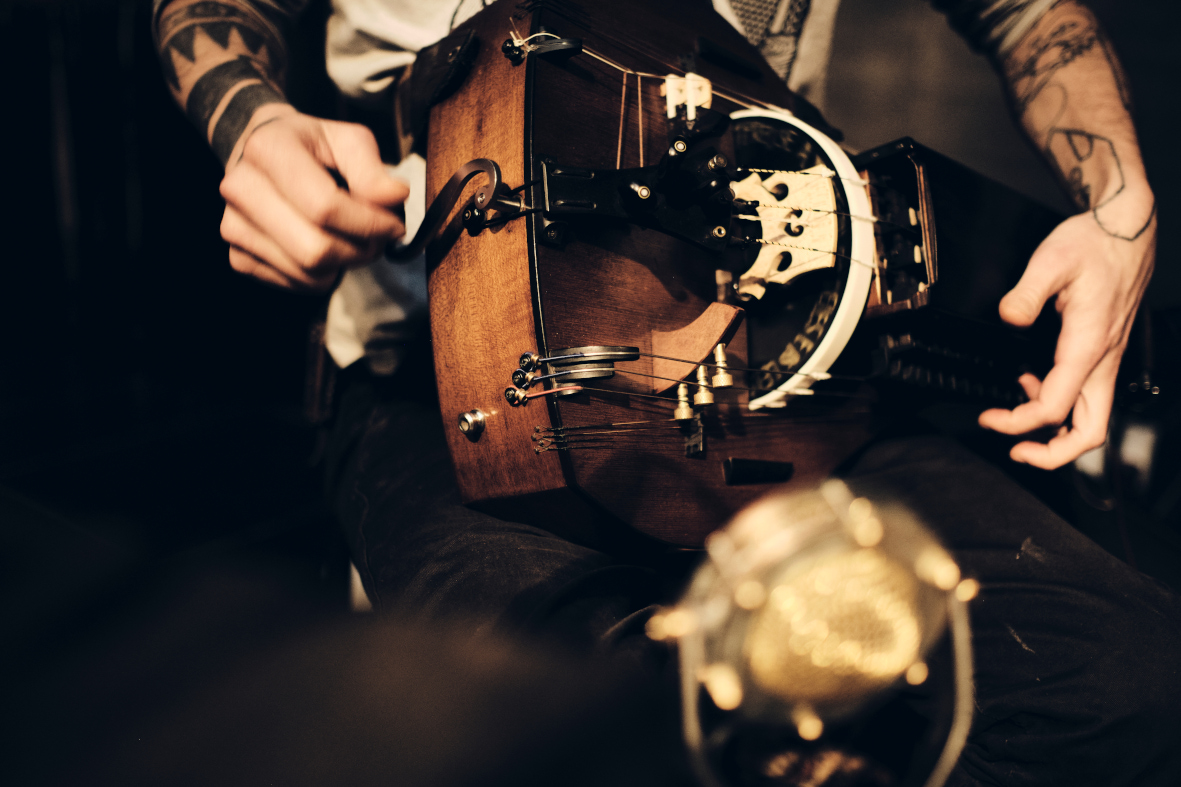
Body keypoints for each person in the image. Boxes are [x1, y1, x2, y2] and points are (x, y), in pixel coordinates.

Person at [151, 1, 1180, 784]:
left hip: (781, 363)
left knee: (1125, 689)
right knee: (602, 727)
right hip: (439, 370)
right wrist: (250, 123)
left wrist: (1121, 207)